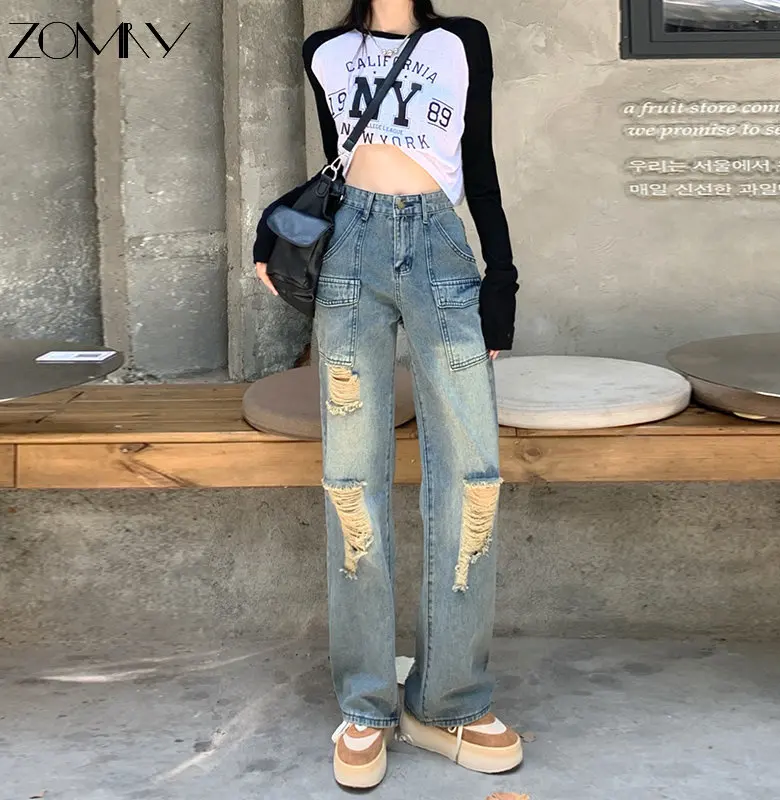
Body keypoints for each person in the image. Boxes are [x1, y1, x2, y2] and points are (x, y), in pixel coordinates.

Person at [253, 0, 521, 789]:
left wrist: (501, 279)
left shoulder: (460, 40)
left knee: (472, 476)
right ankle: (366, 703)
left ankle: (449, 701)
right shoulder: (324, 50)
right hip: (351, 259)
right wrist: (277, 236)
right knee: (351, 480)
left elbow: (480, 162)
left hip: (440, 247)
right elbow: (336, 168)